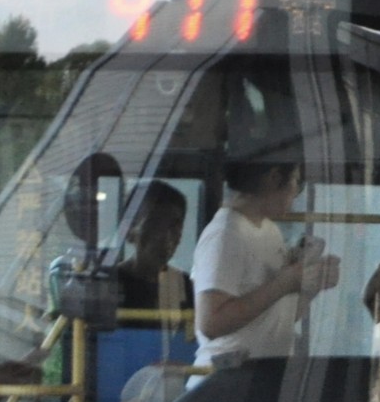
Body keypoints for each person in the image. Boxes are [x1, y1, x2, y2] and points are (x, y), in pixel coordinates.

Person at [192, 157, 338, 369]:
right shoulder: (225, 234)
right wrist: (284, 284)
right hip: (227, 379)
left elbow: (276, 319)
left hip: (261, 375)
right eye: (296, 181)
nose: (295, 193)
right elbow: (211, 323)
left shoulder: (270, 230)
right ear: (274, 178)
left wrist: (308, 286)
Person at [114, 182, 193, 312]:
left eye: (175, 226)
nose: (167, 236)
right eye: (155, 224)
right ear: (128, 231)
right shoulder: (108, 284)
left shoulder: (184, 286)